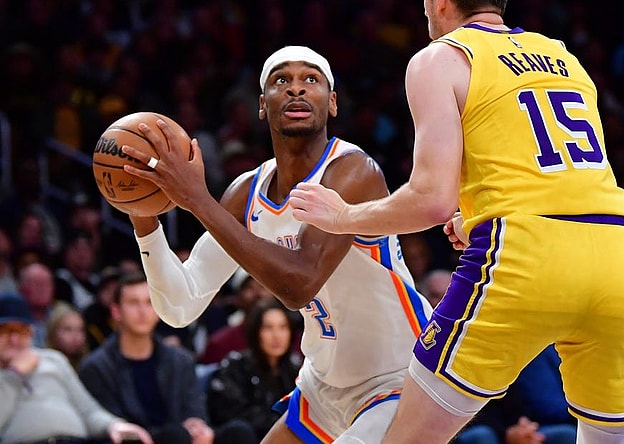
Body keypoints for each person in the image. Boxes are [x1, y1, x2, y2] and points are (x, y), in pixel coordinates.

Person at [289, 1, 624, 442]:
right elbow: (559, 173)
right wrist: (479, 218)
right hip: (620, 255)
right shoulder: (564, 58)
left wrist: (344, 215)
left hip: (527, 256)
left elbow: (431, 200)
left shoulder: (441, 57)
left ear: (440, 2)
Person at [118, 45, 433, 443]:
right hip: (323, 382)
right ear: (263, 105)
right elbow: (180, 306)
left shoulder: (354, 171)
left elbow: (299, 283)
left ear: (332, 103)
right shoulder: (246, 192)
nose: (296, 90)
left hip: (399, 376)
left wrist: (197, 200)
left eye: (311, 80)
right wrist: (144, 221)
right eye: (281, 80)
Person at [78, 272, 256, 444]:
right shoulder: (96, 367)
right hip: (144, 439)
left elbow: (194, 409)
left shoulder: (180, 360)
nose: (142, 311)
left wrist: (197, 426)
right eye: (133, 303)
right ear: (116, 312)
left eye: (149, 303)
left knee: (238, 432)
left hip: (182, 436)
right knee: (175, 436)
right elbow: (112, 426)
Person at [0, 294, 153, 444]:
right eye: (5, 331)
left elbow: (87, 409)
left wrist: (114, 425)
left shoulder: (53, 359)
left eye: (21, 331)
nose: (14, 339)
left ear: (31, 333)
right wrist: (14, 375)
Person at [206, 300, 301, 441]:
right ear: (256, 331)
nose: (277, 336)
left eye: (283, 327)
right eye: (268, 328)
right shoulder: (236, 364)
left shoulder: (296, 367)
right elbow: (228, 412)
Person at [46, 302, 89, 370]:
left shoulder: (90, 366)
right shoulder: (44, 367)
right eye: (68, 329)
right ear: (53, 331)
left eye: (80, 330)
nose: (76, 336)